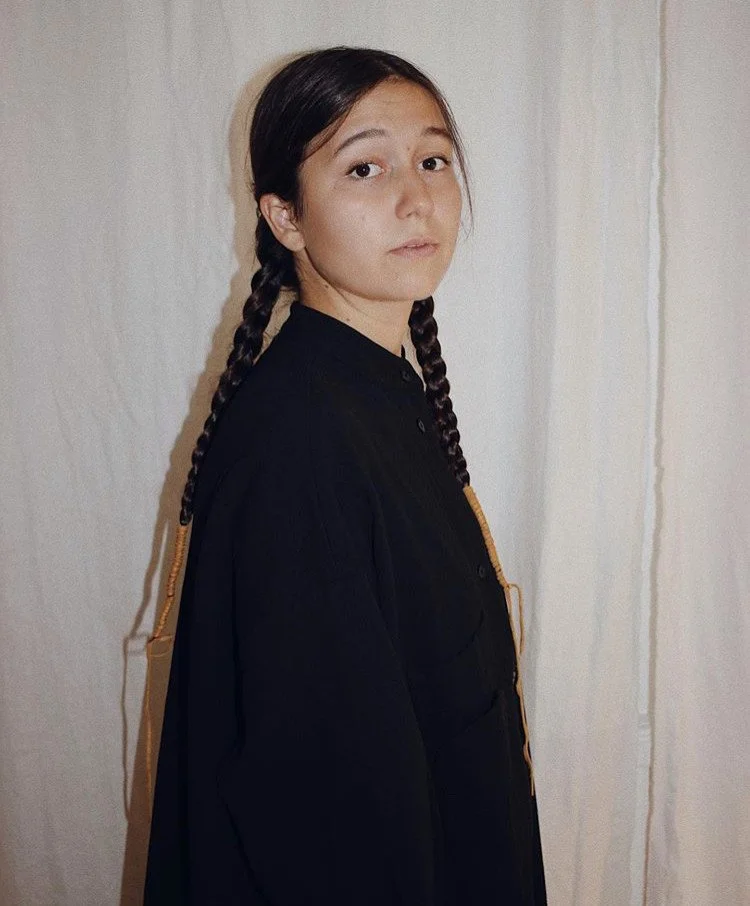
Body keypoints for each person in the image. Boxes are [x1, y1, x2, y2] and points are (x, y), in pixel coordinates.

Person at [143, 46, 547, 905]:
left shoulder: (373, 393)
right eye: (364, 167)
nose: (416, 197)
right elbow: (328, 807)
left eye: (433, 160)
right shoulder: (304, 439)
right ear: (285, 217)